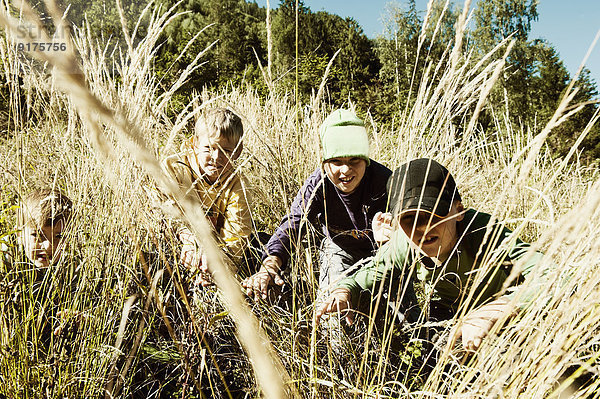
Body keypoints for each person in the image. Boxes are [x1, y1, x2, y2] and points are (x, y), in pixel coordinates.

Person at [315, 158, 546, 352]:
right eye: (409, 218)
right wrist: (344, 292)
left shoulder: (482, 231)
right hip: (448, 317)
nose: (423, 228)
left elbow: (556, 274)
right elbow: (368, 274)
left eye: (434, 214)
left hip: (511, 318)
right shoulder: (404, 243)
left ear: (458, 211)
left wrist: (495, 312)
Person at [242, 109, 393, 303]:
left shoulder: (386, 181)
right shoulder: (317, 184)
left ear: (365, 159)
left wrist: (392, 238)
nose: (346, 169)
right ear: (324, 162)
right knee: (330, 308)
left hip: (383, 253)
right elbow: (294, 223)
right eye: (336, 161)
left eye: (354, 160)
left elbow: (409, 231)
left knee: (406, 313)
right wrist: (269, 267)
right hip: (339, 248)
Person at [162, 107, 252, 286]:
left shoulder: (238, 184)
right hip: (176, 245)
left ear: (238, 150)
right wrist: (189, 240)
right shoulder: (174, 167)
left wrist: (219, 269)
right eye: (209, 148)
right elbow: (164, 211)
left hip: (215, 252)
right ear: (195, 143)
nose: (217, 157)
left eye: (226, 150)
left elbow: (236, 236)